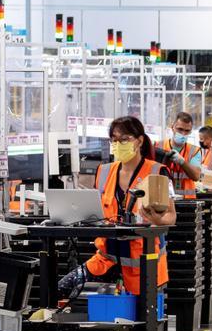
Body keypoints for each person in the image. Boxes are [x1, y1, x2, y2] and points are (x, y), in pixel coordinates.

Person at [57, 116, 175, 299]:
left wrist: (156, 219)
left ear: (140, 140)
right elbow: (95, 211)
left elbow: (171, 217)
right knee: (62, 288)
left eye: (124, 139)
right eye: (114, 140)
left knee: (140, 322)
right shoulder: (104, 171)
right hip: (106, 259)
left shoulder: (157, 172)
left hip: (143, 266)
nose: (118, 144)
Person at [153, 111, 203, 199]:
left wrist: (182, 162)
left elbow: (196, 176)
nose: (183, 134)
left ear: (191, 131)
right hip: (162, 198)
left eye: (187, 131)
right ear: (172, 127)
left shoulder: (194, 151)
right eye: (180, 129)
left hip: (186, 202)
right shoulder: (157, 146)